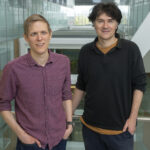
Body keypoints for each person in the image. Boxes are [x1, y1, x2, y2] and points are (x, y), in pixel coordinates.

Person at [72, 2, 146, 150]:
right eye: (100, 21)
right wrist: (68, 115)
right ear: (94, 24)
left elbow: (139, 85)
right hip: (90, 128)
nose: (105, 26)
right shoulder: (86, 51)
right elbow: (81, 86)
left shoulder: (130, 50)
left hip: (121, 130)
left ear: (117, 24)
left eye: (110, 21)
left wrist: (133, 118)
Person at [0, 14, 73, 150]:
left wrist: (69, 125)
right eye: (34, 34)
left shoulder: (63, 62)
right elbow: (3, 104)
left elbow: (66, 95)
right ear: (26, 38)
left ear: (50, 34)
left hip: (59, 139)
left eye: (43, 33)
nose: (39, 38)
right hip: (29, 142)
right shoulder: (13, 68)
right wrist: (21, 135)